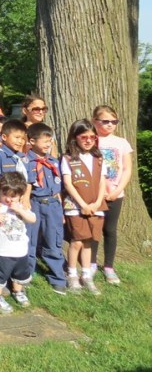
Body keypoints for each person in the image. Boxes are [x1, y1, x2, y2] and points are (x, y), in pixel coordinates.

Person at [61, 119, 108, 295]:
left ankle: (86, 275)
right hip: (76, 207)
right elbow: (68, 183)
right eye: (84, 137)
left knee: (89, 241)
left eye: (92, 137)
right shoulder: (68, 158)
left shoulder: (99, 158)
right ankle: (72, 274)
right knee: (77, 241)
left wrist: (96, 203)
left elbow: (102, 180)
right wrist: (82, 204)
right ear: (75, 138)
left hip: (96, 206)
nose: (88, 141)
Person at [91, 105, 133, 284]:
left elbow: (127, 169)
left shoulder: (121, 142)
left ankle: (108, 266)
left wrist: (117, 191)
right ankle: (90, 264)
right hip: (94, 195)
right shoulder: (90, 140)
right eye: (105, 121)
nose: (109, 125)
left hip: (115, 194)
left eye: (113, 122)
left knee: (110, 230)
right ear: (95, 121)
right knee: (94, 230)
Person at [0, 172, 37, 313]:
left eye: (13, 196)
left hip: (21, 250)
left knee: (20, 274)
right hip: (3, 250)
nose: (8, 199)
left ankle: (18, 292)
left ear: (20, 195)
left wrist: (20, 210)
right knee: (1, 274)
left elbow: (32, 219)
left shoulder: (22, 207)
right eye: (4, 195)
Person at [25, 123, 67, 294]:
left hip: (53, 205)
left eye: (50, 141)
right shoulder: (26, 161)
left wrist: (61, 210)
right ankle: (26, 274)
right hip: (34, 202)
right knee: (29, 240)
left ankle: (57, 276)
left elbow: (59, 189)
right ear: (32, 141)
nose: (48, 145)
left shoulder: (53, 162)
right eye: (45, 141)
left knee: (54, 239)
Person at [0, 119, 30, 212]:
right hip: (4, 203)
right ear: (4, 137)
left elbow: (29, 181)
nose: (20, 141)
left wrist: (26, 196)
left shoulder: (23, 158)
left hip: (21, 203)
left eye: (23, 138)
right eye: (17, 137)